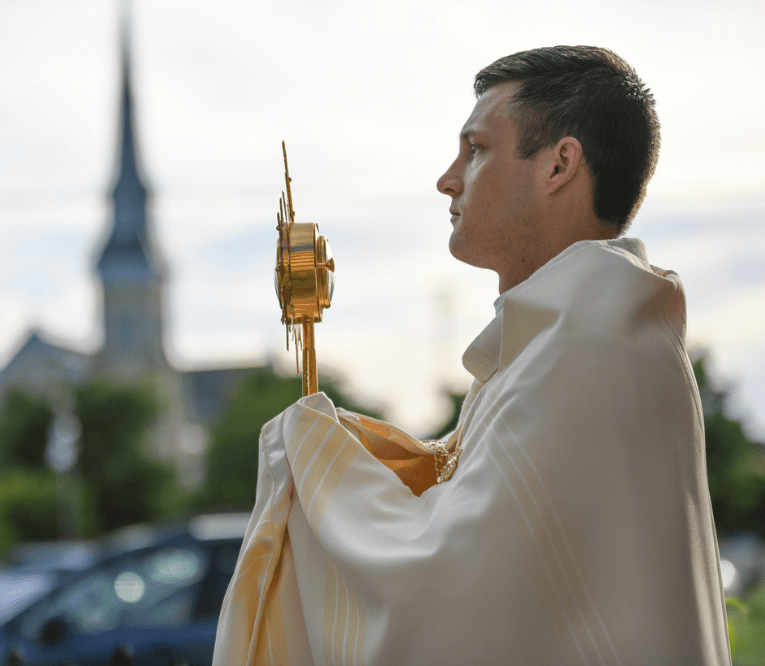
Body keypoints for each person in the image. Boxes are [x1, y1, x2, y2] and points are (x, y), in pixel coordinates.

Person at [214, 46, 731, 664]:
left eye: (477, 149)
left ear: (559, 164)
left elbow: (449, 598)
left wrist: (310, 456)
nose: (448, 178)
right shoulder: (571, 339)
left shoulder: (591, 346)